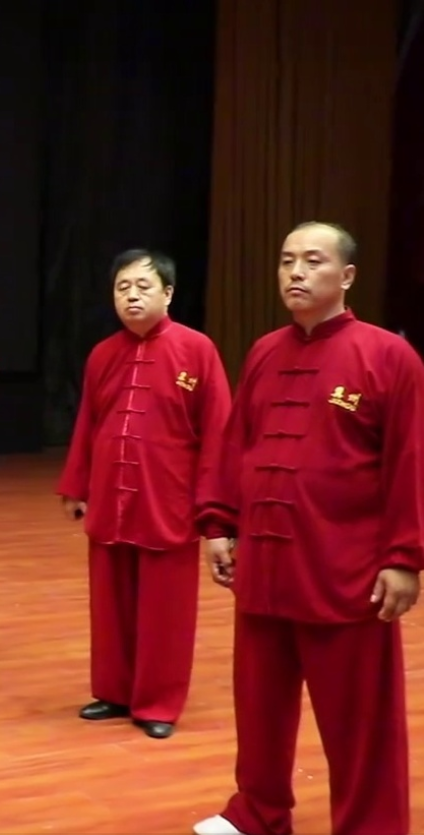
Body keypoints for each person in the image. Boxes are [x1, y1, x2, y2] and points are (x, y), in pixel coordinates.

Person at [192, 222, 424, 835]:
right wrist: (218, 523)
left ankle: (372, 826)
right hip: (264, 567)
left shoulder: (389, 356)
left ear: (346, 276)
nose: (295, 272)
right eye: (287, 260)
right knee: (259, 708)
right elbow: (236, 444)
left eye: (313, 261)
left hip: (345, 573)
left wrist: (404, 558)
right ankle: (259, 814)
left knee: (360, 721)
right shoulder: (265, 352)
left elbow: (410, 462)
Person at [56, 249, 230, 739]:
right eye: (122, 288)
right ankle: (114, 691)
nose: (131, 296)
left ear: (168, 293)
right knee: (110, 603)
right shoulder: (102, 354)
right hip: (111, 496)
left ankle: (158, 702)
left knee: (165, 610)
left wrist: (215, 515)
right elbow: (88, 423)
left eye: (143, 286)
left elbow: (219, 435)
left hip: (168, 499)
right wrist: (76, 485)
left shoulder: (197, 350)